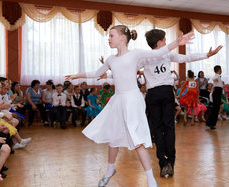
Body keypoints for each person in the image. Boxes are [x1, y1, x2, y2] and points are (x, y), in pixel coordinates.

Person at [66, 25, 195, 187]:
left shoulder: (135, 54)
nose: (109, 39)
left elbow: (158, 52)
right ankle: (110, 169)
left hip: (133, 100)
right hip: (118, 100)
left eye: (111, 35)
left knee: (137, 140)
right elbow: (96, 73)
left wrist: (177, 42)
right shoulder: (111, 59)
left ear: (122, 38)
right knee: (114, 138)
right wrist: (76, 75)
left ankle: (150, 178)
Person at [140, 29, 221, 178]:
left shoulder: (145, 57)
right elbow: (187, 58)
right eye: (164, 40)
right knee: (169, 127)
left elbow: (187, 58)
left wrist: (207, 55)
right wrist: (206, 55)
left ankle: (163, 163)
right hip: (165, 92)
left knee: (157, 128)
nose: (166, 43)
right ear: (159, 43)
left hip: (153, 95)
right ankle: (170, 162)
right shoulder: (163, 54)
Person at [206, 65, 223, 130]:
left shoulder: (217, 76)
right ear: (220, 70)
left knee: (215, 108)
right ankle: (211, 124)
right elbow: (214, 79)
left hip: (217, 92)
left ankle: (210, 123)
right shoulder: (217, 76)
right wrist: (215, 80)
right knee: (215, 109)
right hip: (217, 92)